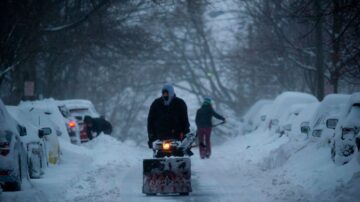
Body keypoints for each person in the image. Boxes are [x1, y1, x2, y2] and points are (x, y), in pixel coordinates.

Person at [147, 83, 191, 153]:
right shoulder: (156, 104)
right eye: (164, 94)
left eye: (167, 94)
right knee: (158, 154)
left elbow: (185, 120)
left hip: (176, 137)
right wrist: (151, 138)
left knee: (179, 153)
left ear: (171, 92)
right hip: (160, 138)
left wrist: (186, 135)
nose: (165, 96)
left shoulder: (180, 103)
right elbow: (150, 122)